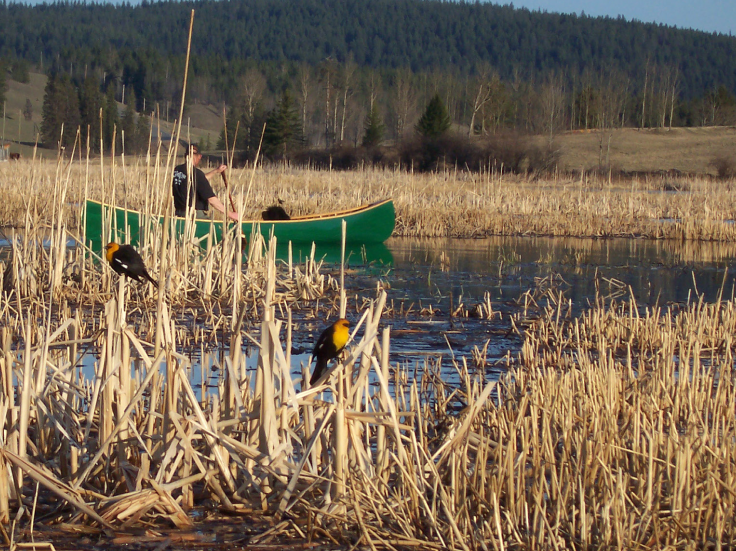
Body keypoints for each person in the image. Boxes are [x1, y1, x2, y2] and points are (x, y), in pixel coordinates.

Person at [172, 143, 239, 221]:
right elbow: (211, 199)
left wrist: (216, 171)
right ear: (199, 156)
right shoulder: (197, 173)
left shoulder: (177, 170)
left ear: (185, 155)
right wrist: (230, 214)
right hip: (194, 215)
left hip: (179, 214)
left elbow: (199, 180)